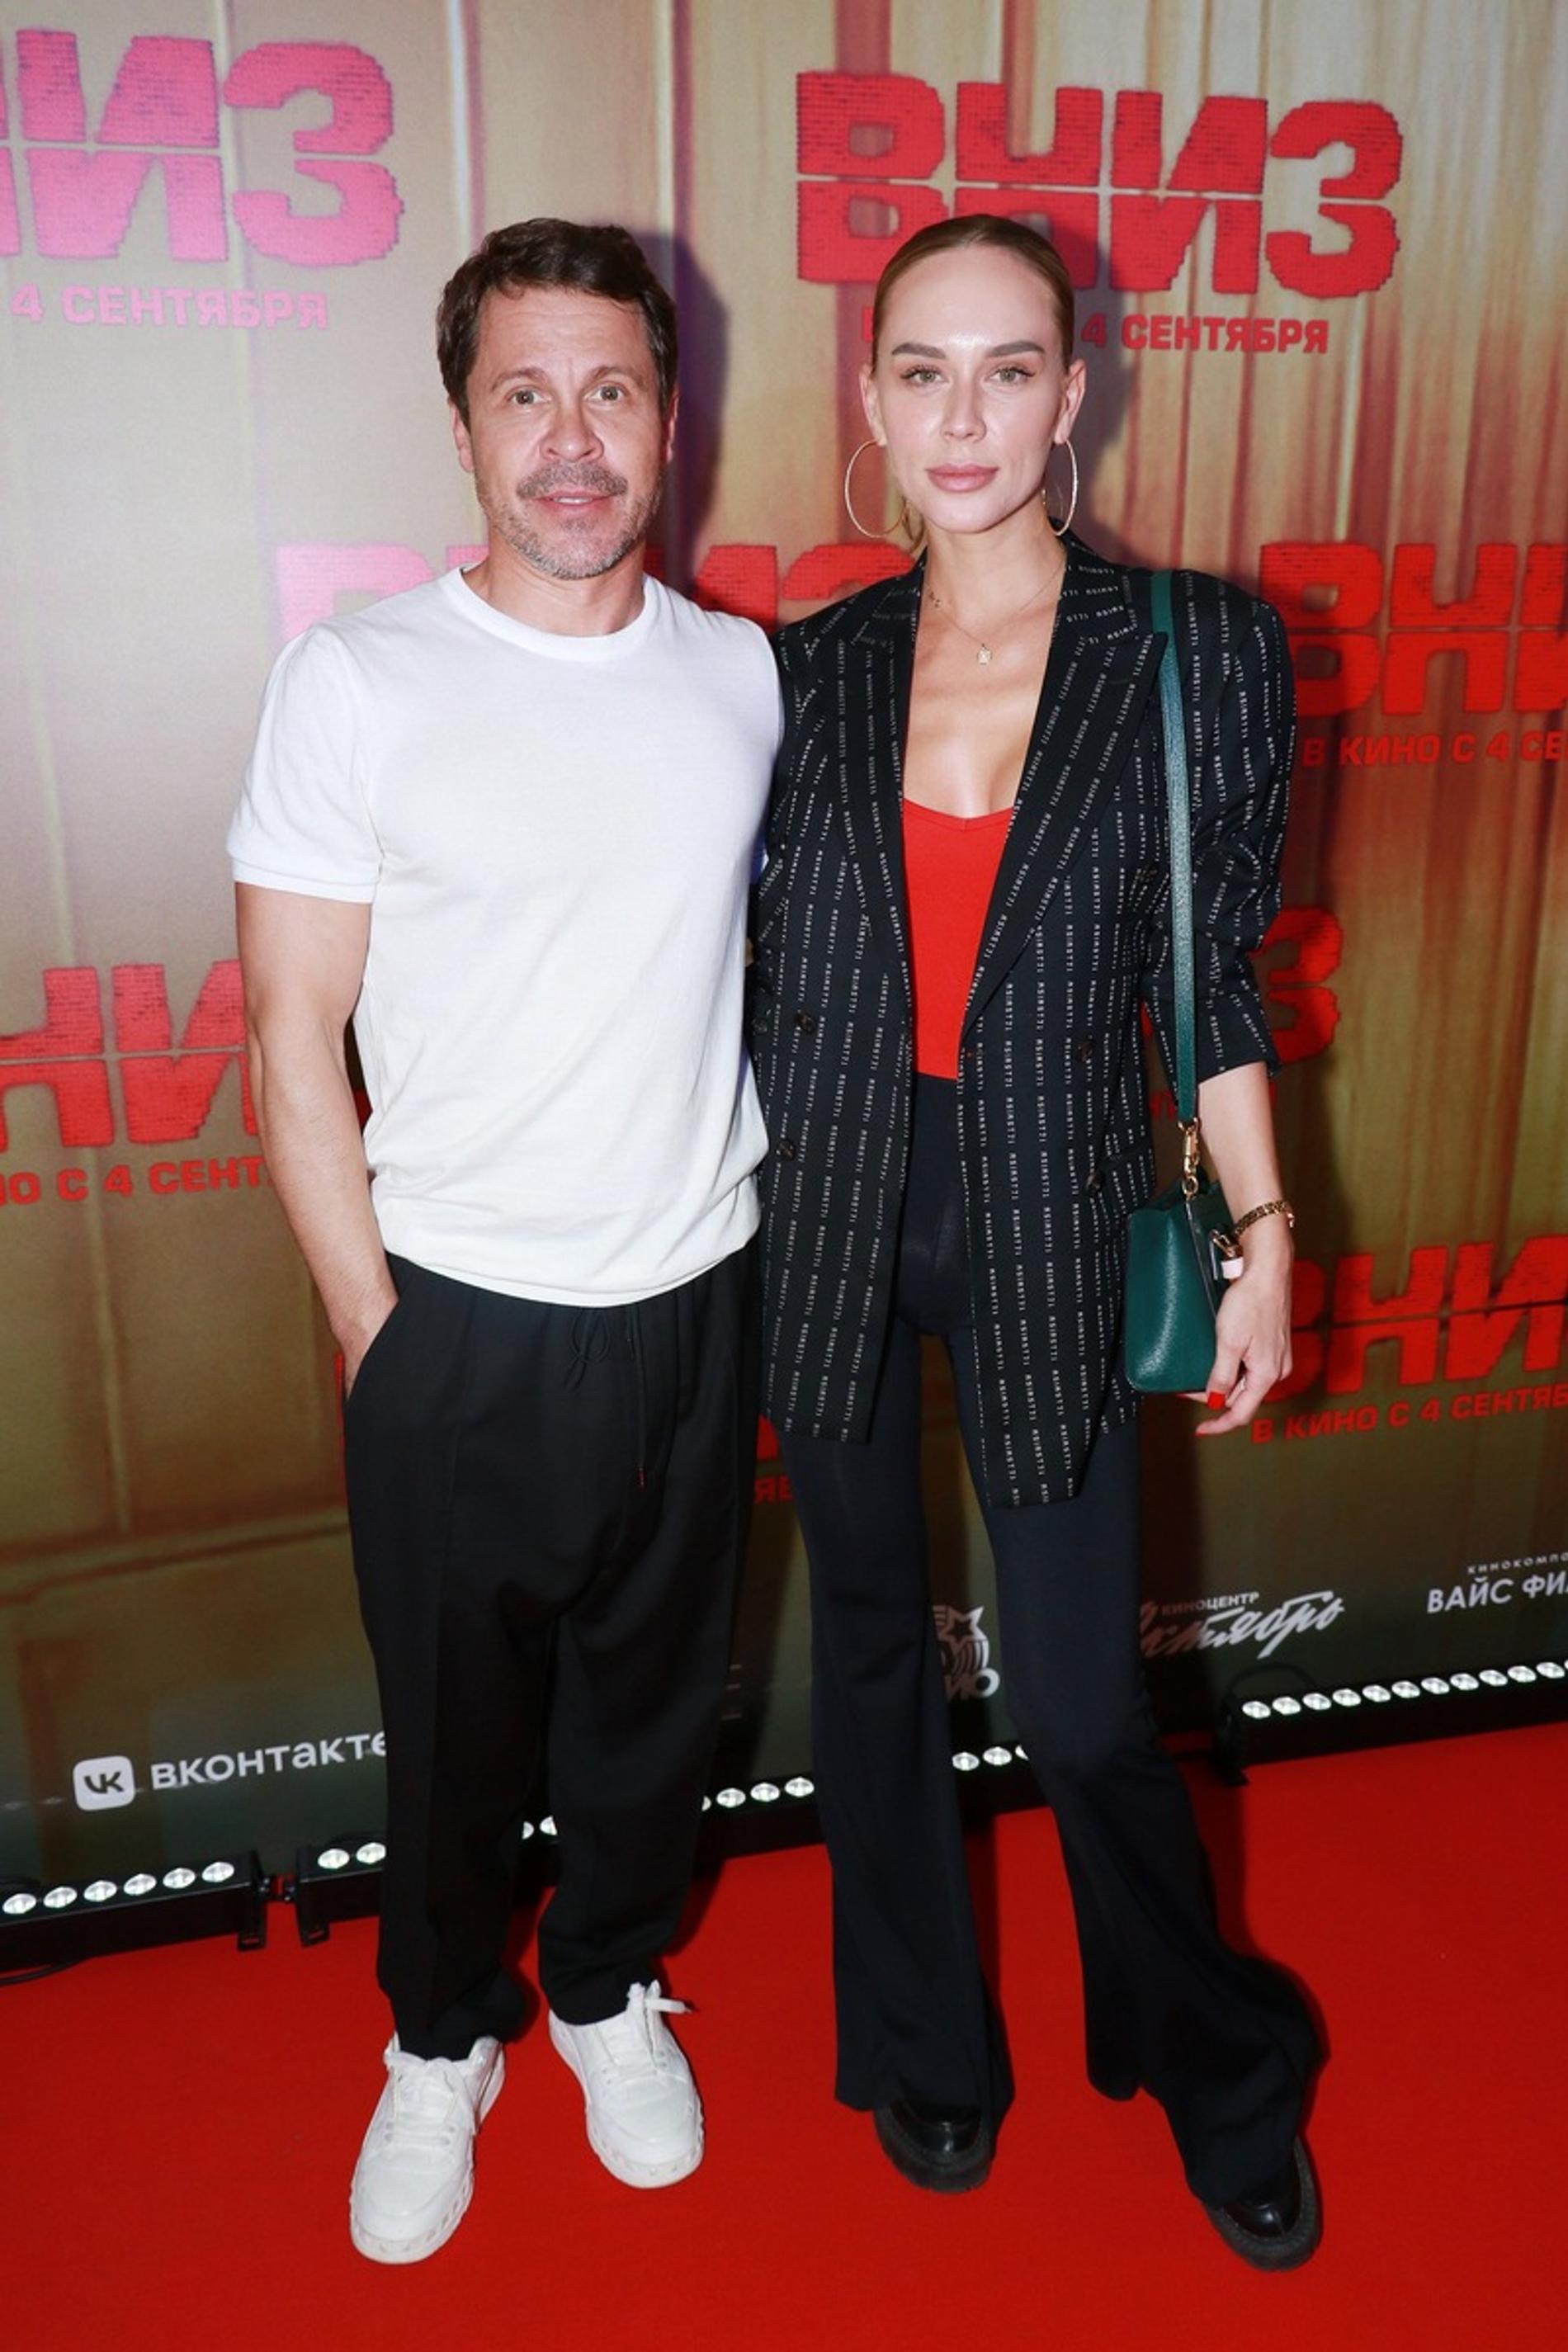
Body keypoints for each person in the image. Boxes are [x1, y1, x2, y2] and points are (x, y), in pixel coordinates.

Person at [750, 214, 1322, 2269]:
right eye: (921, 371)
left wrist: (1264, 1228)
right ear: (871, 399)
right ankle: (922, 2045)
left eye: (1007, 370)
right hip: (827, 1202)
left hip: (1057, 1204)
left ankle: (1213, 2063)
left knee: (1080, 1706)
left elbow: (1210, 976)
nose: (962, 415)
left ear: (1071, 394)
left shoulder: (1195, 650)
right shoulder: (802, 668)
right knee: (867, 1656)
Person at [229, 219, 777, 2265]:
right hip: (456, 1317)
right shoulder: (358, 677)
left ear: (667, 420)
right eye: (522, 395)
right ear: (462, 428)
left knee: (655, 1706)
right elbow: (289, 1034)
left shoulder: (740, 677)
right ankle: (439, 2035)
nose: (571, 440)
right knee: (454, 1742)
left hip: (695, 1295)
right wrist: (376, 1329)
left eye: (609, 390)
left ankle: (607, 1986)